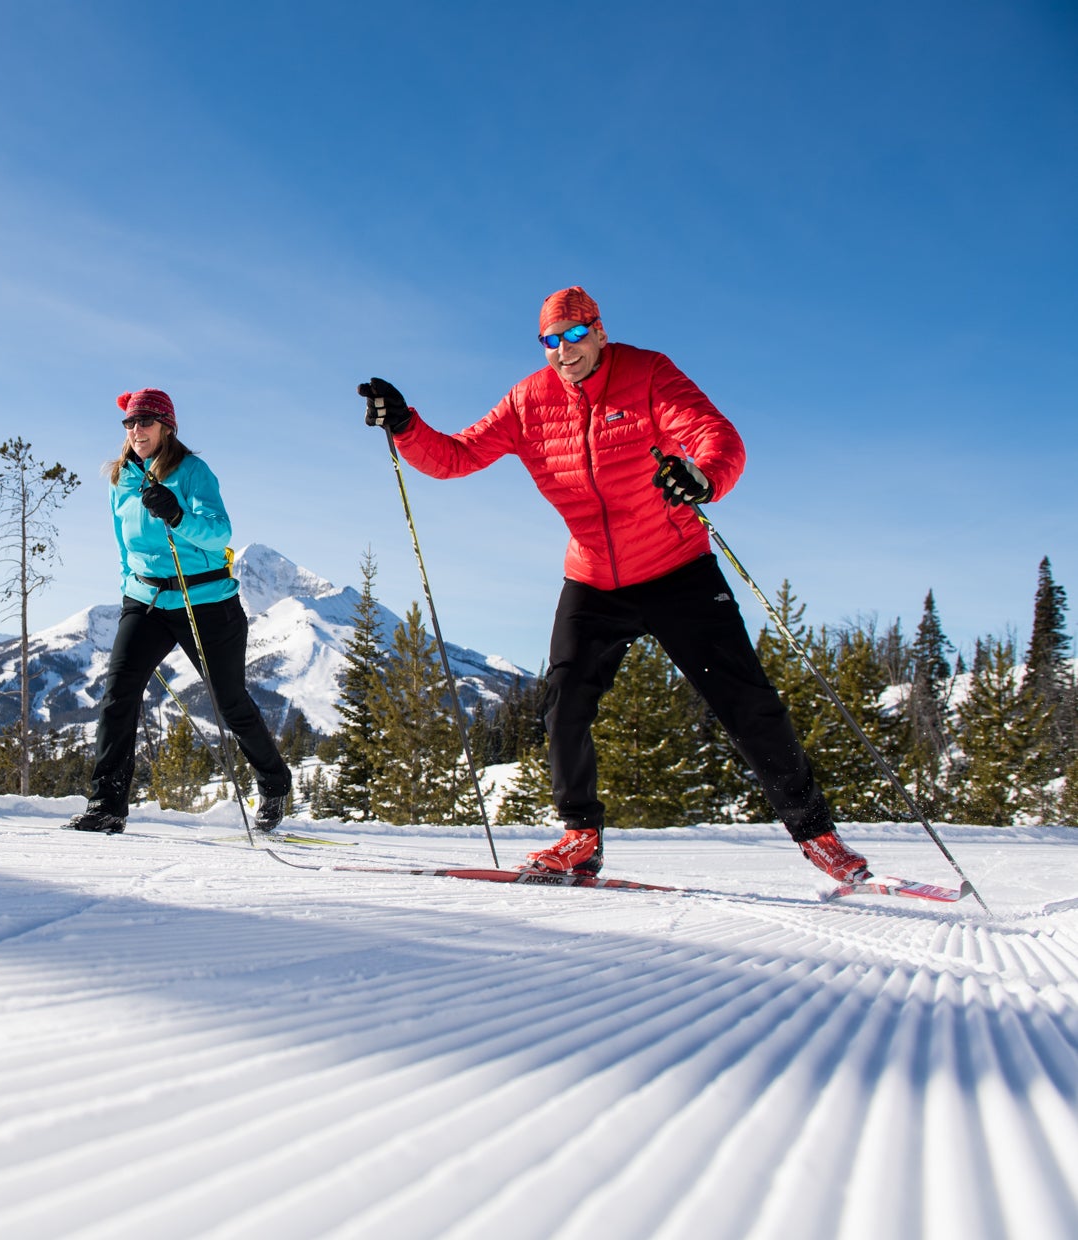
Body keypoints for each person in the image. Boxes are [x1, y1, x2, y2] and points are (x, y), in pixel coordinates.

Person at [357, 286, 873, 883]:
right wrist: (405, 423)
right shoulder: (529, 401)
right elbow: (457, 455)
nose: (564, 350)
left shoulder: (648, 373)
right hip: (595, 577)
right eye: (551, 341)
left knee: (746, 703)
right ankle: (580, 837)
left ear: (599, 332)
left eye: (575, 336)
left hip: (677, 565)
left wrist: (702, 477)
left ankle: (819, 837)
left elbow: (714, 432)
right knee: (564, 705)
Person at [64, 388, 293, 835]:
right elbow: (123, 544)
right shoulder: (121, 480)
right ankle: (106, 805)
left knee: (230, 703)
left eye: (146, 423)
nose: (136, 431)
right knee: (117, 697)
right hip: (146, 602)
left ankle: (274, 782)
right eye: (130, 424)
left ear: (167, 427)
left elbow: (218, 532)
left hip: (205, 600)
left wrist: (177, 514)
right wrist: (130, 589)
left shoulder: (192, 473)